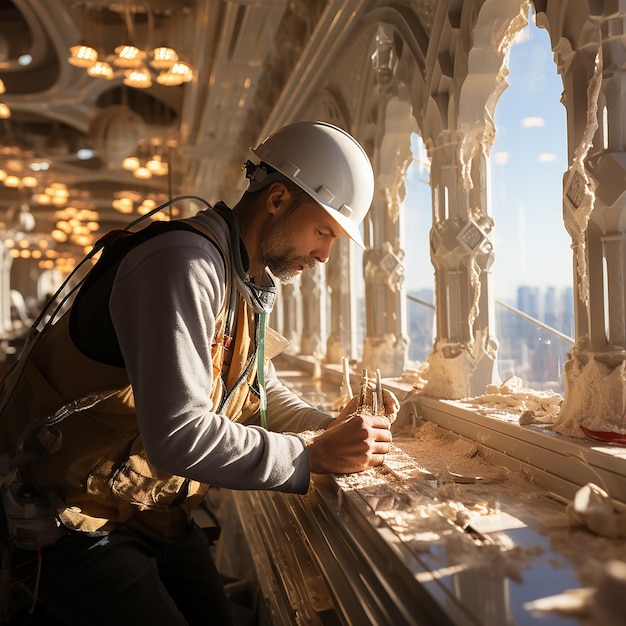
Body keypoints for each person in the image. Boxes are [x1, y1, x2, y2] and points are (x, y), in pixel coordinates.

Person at [0, 121, 398, 625]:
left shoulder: (242, 277)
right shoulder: (183, 264)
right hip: (73, 515)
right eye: (323, 231)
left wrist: (330, 426)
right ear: (277, 199)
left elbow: (258, 393)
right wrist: (311, 453)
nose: (323, 253)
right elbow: (177, 435)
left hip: (148, 510)